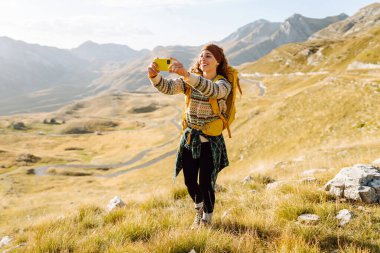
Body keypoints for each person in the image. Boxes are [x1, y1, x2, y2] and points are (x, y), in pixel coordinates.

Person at [147, 44, 231, 229]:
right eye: (201, 56)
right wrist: (155, 76)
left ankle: (207, 220)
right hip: (189, 138)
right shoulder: (190, 80)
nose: (203, 59)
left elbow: (212, 91)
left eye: (208, 56)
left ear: (218, 61)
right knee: (190, 182)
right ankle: (198, 211)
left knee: (206, 184)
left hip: (210, 141)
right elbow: (168, 87)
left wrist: (187, 75)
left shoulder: (223, 84)